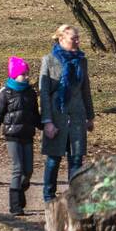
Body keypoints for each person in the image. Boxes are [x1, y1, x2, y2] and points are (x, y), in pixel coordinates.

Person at [39, 24, 95, 202]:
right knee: (54, 159)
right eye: (74, 38)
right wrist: (47, 121)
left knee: (76, 158)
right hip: (57, 115)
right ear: (61, 39)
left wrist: (90, 116)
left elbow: (86, 89)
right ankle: (48, 196)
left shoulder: (82, 60)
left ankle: (74, 197)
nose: (78, 41)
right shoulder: (49, 60)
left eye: (78, 38)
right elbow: (44, 94)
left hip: (77, 115)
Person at [0, 57, 41, 216]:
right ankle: (15, 206)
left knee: (28, 171)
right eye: (24, 74)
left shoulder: (30, 93)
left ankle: (20, 191)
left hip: (27, 135)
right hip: (12, 136)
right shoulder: (5, 93)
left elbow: (35, 116)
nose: (27, 77)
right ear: (14, 75)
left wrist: (46, 127)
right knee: (18, 168)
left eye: (28, 73)